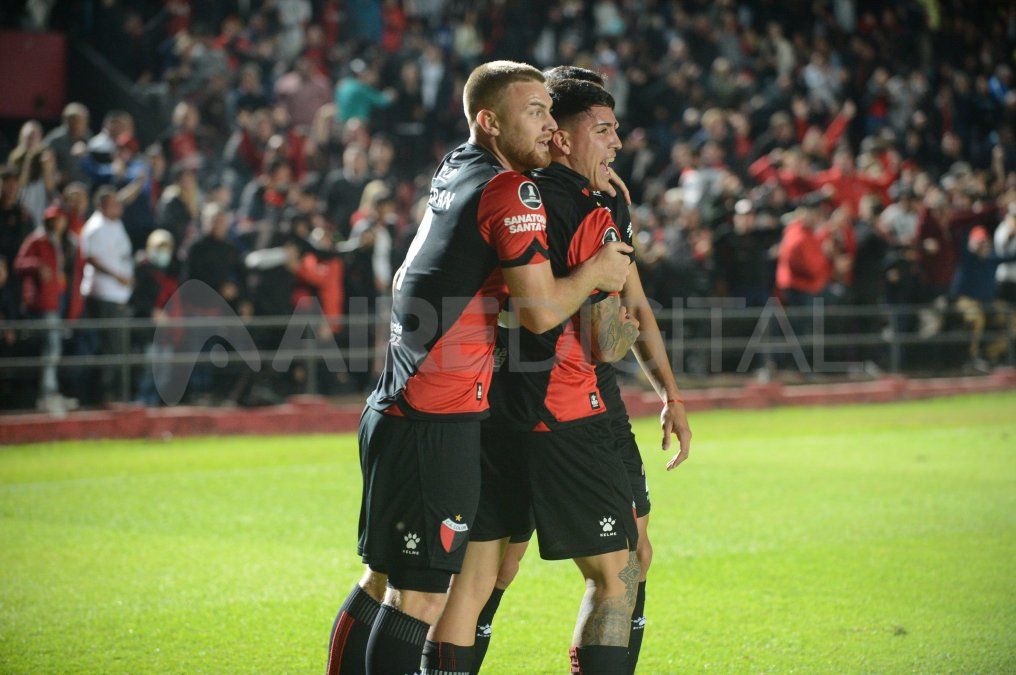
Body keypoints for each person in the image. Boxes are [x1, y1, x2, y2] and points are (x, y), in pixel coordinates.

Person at [326, 60, 633, 675]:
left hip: (397, 400)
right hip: (436, 415)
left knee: (382, 576)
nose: (550, 128)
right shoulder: (510, 189)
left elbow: (420, 276)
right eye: (536, 113)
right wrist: (598, 273)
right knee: (418, 595)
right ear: (489, 122)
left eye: (551, 111)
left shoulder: (454, 169)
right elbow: (543, 311)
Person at [468, 66, 693, 675]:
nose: (616, 143)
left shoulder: (519, 188)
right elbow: (612, 336)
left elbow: (632, 304)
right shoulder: (582, 209)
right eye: (603, 130)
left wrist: (667, 391)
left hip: (519, 403)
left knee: (497, 571)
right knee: (619, 571)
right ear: (563, 137)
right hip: (568, 407)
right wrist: (610, 267)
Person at [13, 206, 80, 414]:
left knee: (55, 348)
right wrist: (38, 265)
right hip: (43, 301)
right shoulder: (38, 239)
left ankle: (51, 392)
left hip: (59, 298)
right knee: (51, 347)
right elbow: (19, 264)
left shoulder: (66, 242)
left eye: (60, 219)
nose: (57, 223)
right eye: (54, 220)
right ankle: (47, 393)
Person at [79, 186, 134, 404]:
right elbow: (90, 257)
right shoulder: (95, 227)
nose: (118, 207)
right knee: (108, 347)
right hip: (102, 294)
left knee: (119, 346)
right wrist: (117, 276)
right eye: (113, 203)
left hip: (119, 294)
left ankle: (116, 394)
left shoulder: (115, 223)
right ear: (101, 205)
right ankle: (103, 396)